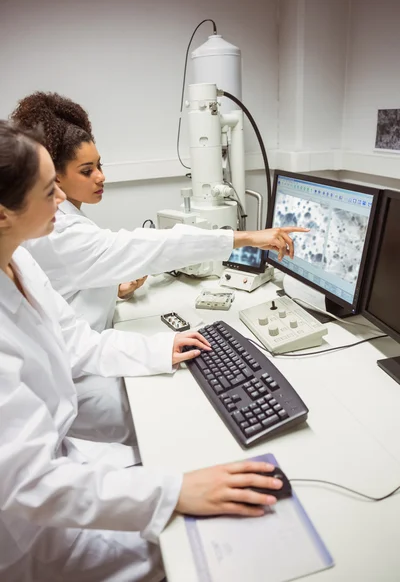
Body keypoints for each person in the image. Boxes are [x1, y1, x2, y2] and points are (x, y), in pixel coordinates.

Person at [0, 120, 284, 582]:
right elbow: (28, 482)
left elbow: (76, 339)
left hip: (64, 461)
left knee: (182, 458)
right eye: (50, 189)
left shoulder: (20, 260)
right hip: (31, 534)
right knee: (207, 549)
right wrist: (173, 494)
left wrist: (161, 347)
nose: (61, 203)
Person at [11, 91, 308, 446]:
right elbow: (140, 247)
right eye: (87, 171)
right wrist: (245, 237)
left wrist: (115, 292)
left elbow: (74, 317)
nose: (101, 177)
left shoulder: (30, 252)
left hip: (89, 358)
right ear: (55, 179)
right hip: (75, 389)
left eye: (100, 165)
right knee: (178, 416)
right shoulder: (56, 232)